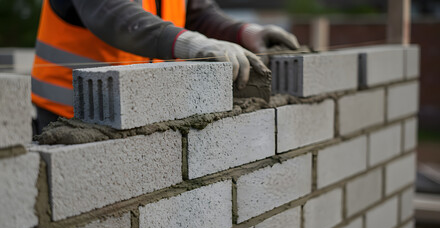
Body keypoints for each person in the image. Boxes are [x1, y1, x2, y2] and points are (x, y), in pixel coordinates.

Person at [31, 0, 300, 134]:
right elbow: (115, 15)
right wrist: (190, 43)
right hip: (73, 120)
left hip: (144, 114)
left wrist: (244, 32)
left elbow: (197, 13)